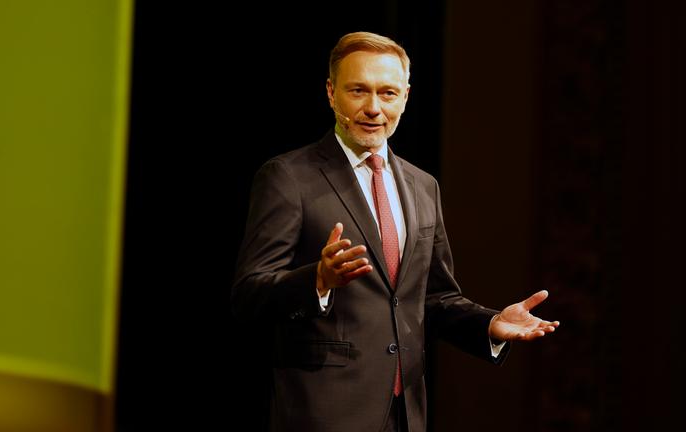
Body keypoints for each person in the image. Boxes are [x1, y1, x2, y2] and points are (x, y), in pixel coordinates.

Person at [231, 31, 560, 432]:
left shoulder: (423, 186)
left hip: (405, 414)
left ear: (405, 96)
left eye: (387, 93)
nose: (373, 108)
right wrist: (317, 280)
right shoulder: (288, 178)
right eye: (358, 91)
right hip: (324, 412)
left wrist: (488, 325)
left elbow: (433, 297)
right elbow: (249, 294)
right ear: (332, 93)